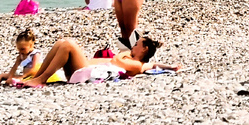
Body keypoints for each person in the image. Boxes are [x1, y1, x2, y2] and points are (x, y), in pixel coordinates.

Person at [21, 36, 172, 87]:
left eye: (137, 44)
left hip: (85, 72)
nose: (133, 46)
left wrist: (125, 53)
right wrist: (171, 67)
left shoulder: (136, 64)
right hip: (82, 69)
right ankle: (37, 77)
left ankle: (41, 79)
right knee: (62, 43)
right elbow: (154, 65)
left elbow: (117, 61)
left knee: (68, 45)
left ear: (144, 49)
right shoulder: (136, 61)